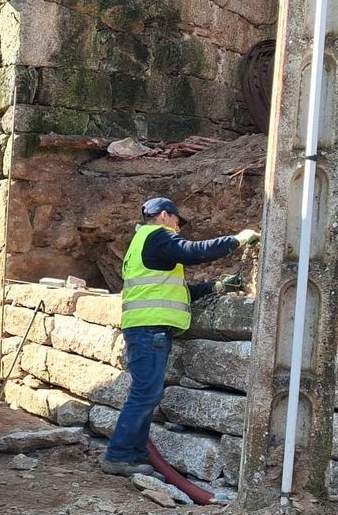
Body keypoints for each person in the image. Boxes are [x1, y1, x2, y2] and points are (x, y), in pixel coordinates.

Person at [101, 197, 261, 476]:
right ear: (164, 215)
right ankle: (119, 456)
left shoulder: (141, 243)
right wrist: (237, 240)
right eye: (177, 221)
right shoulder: (158, 236)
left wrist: (216, 286)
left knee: (146, 394)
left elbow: (175, 291)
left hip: (145, 327)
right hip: (149, 329)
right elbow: (192, 251)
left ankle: (134, 454)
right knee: (144, 394)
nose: (178, 227)